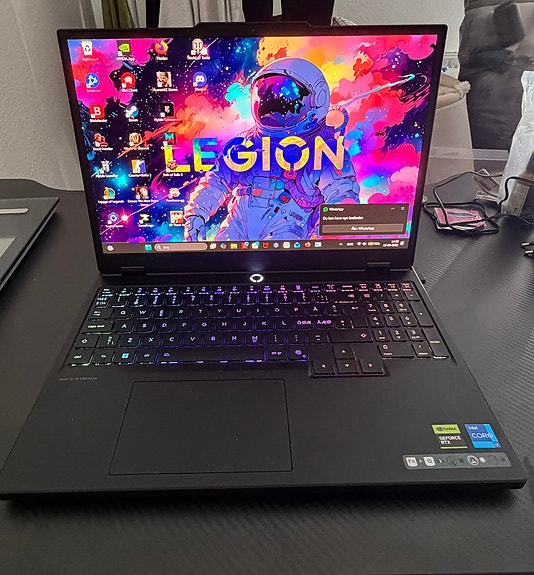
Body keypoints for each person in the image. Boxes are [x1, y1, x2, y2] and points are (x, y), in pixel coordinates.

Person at [184, 57, 359, 242]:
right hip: (238, 222)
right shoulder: (248, 143)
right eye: (265, 97)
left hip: (289, 226)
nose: (271, 108)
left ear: (317, 100)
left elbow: (342, 197)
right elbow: (217, 180)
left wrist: (324, 238)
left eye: (283, 101)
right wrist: (196, 213)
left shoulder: (322, 150)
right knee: (221, 258)